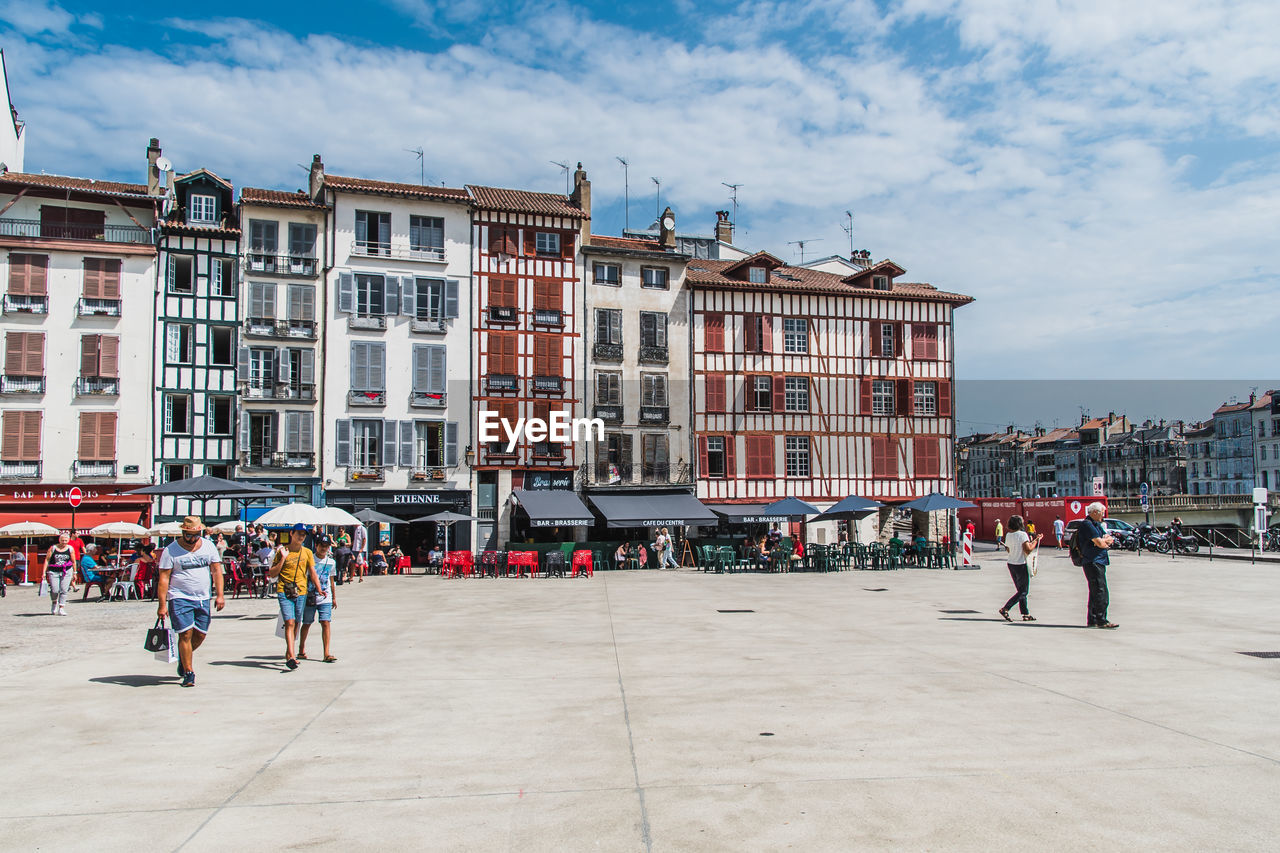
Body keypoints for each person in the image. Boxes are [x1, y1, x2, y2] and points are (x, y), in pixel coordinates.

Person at [156, 517, 225, 687]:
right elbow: (164, 578)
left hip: (203, 597)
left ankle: (183, 657)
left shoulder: (208, 546)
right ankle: (189, 672)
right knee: (185, 634)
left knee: (200, 635)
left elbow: (216, 570)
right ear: (183, 532)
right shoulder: (171, 551)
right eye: (189, 536)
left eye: (196, 535)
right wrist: (162, 605)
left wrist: (220, 595)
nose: (193, 539)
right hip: (179, 596)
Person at [268, 523, 323, 671]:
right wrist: (282, 559)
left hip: (301, 591)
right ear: (292, 533)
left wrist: (319, 588)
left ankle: (289, 651)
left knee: (297, 622)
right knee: (290, 622)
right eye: (299, 533)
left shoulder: (307, 553)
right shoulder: (282, 551)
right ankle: (292, 656)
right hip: (284, 591)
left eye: (304, 534)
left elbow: (312, 572)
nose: (301, 536)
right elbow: (272, 573)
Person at [1077, 502, 1118, 629]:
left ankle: (1093, 619)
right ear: (1094, 512)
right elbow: (1100, 543)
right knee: (1100, 590)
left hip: (1098, 560)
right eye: (1101, 512)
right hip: (1093, 561)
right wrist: (1102, 541)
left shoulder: (1096, 525)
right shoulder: (1087, 525)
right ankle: (1102, 620)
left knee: (1095, 590)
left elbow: (1109, 539)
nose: (1103, 515)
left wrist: (1104, 541)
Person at [298, 538, 337, 663]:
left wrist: (334, 598)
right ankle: (301, 649)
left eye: (326, 546)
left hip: (326, 597)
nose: (324, 548)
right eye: (322, 545)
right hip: (310, 596)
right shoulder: (309, 559)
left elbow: (331, 581)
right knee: (307, 623)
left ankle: (326, 653)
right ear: (316, 546)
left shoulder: (331, 562)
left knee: (325, 622)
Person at [999, 515, 1041, 622]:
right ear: (1020, 523)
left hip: (1011, 563)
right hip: (1021, 564)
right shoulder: (1023, 535)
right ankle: (1006, 608)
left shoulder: (1008, 535)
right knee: (1023, 591)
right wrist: (1036, 540)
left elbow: (1008, 549)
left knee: (1020, 590)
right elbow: (1028, 550)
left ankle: (1025, 614)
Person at [44, 533, 76, 615]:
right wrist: (44, 572)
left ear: (68, 541)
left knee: (64, 589)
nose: (64, 542)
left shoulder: (70, 548)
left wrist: (75, 572)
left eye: (66, 540)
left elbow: (73, 561)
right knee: (54, 590)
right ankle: (54, 603)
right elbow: (47, 560)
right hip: (53, 571)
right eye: (62, 540)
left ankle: (61, 607)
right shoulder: (53, 548)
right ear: (59, 540)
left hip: (67, 571)